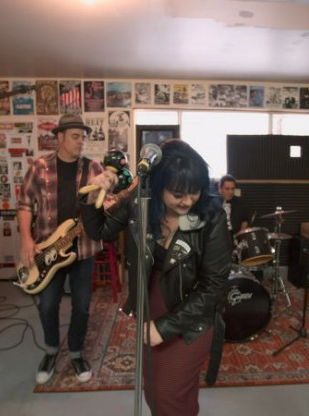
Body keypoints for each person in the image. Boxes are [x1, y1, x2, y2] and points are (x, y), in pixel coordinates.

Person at [80, 139, 230, 416]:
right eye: (178, 194)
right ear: (159, 186)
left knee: (169, 395)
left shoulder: (212, 217)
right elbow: (100, 231)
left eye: (195, 192)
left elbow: (214, 286)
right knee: (153, 392)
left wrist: (165, 327)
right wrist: (92, 199)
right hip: (151, 306)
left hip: (192, 317)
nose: (188, 201)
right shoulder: (141, 203)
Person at [17, 113, 104, 384]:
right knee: (47, 305)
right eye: (75, 137)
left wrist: (111, 198)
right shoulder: (40, 167)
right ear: (60, 137)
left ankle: (76, 352)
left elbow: (107, 202)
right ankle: (51, 349)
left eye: (83, 137)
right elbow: (24, 205)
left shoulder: (93, 168)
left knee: (82, 306)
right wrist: (26, 240)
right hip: (48, 251)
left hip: (83, 250)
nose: (81, 142)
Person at [218, 174, 249, 242]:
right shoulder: (212, 203)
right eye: (227, 189)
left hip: (235, 239)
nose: (231, 192)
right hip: (217, 240)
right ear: (220, 189)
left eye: (232, 189)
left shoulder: (240, 203)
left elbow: (245, 221)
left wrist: (241, 237)